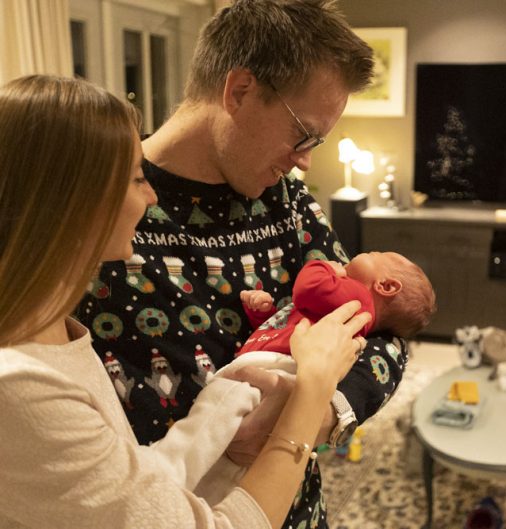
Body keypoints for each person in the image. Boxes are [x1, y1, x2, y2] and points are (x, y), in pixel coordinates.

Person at [76, 2, 407, 527]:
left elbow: (384, 329)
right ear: (240, 91)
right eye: (304, 134)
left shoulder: (287, 201)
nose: (305, 160)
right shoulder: (103, 206)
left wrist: (315, 416)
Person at [0, 74, 370, 529]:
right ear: (72, 203)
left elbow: (137, 479)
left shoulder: (56, 332)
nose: (151, 195)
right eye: (138, 178)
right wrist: (311, 394)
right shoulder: (18, 386)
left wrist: (230, 436)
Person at [236, 252, 436, 361]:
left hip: (269, 364)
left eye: (376, 255)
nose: (369, 251)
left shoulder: (360, 299)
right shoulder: (345, 307)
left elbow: (308, 287)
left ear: (386, 286)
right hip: (262, 361)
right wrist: (263, 314)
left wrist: (324, 267)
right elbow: (288, 328)